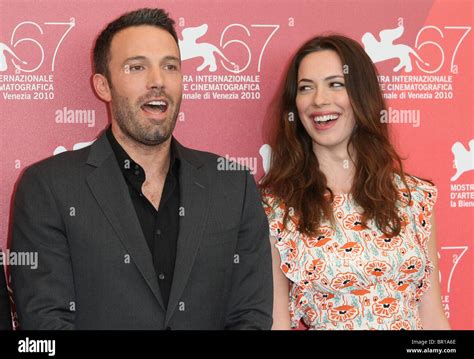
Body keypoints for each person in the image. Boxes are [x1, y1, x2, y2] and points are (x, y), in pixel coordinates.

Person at [10, 8, 272, 330]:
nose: (157, 81)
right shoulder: (48, 188)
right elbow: (46, 324)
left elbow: (251, 316)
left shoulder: (234, 185)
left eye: (170, 66)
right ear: (103, 86)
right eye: (137, 67)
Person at [260, 34, 450, 330]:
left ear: (362, 95)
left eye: (336, 84)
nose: (319, 99)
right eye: (306, 87)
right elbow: (276, 323)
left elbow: (433, 316)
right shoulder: (276, 211)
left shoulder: (415, 198)